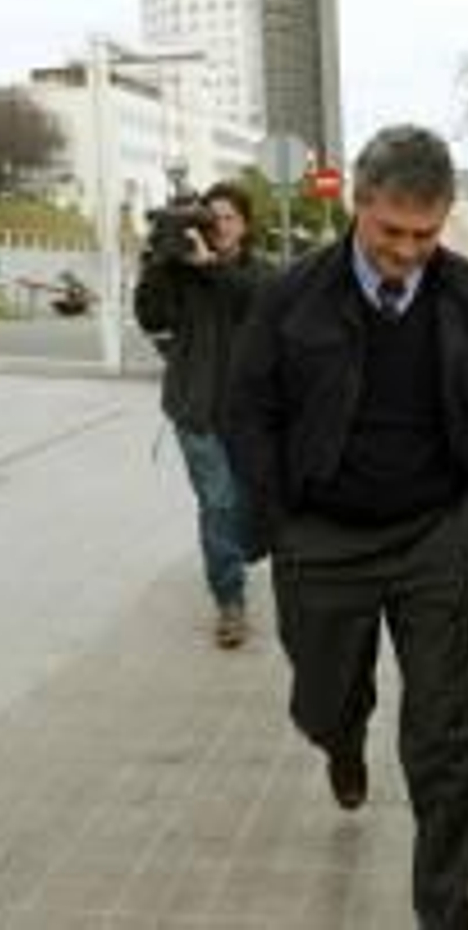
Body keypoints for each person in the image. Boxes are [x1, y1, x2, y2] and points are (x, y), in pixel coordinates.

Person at [226, 125, 468, 929]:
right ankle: (343, 737)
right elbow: (247, 409)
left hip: (435, 537)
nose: (407, 251)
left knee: (446, 734)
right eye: (392, 230)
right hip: (322, 538)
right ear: (358, 204)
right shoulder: (291, 295)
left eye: (426, 234)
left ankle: (446, 909)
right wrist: (280, 520)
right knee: (323, 700)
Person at [134, 180, 271, 648]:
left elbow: (254, 301)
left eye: (229, 218)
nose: (220, 226)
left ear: (245, 225)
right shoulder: (181, 271)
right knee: (219, 501)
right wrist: (158, 262)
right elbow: (151, 318)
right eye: (212, 218)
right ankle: (230, 602)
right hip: (196, 408)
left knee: (244, 506)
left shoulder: (263, 274)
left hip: (251, 414)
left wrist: (210, 266)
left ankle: (237, 554)